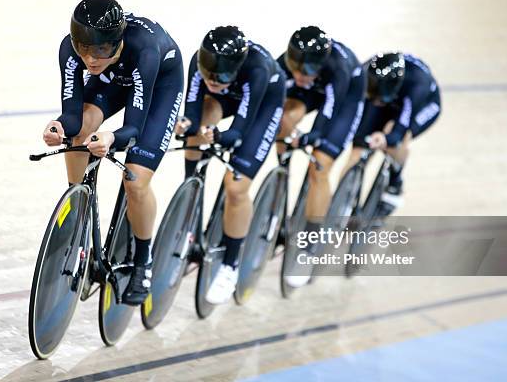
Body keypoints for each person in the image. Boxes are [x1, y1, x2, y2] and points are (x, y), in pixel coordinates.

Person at [41, 0, 184, 306]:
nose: (91, 60)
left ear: (117, 42)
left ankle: (143, 260)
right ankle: (78, 206)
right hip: (115, 77)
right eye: (85, 50)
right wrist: (59, 126)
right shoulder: (71, 49)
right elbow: (72, 115)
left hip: (158, 85)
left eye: (101, 50)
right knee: (79, 131)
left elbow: (133, 128)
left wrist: (111, 137)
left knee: (136, 181)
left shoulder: (144, 49)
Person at [175, 26, 285, 304]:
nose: (212, 80)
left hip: (261, 108)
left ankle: (230, 265)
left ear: (235, 69)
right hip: (227, 99)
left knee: (236, 186)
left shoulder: (257, 70)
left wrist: (221, 137)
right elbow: (192, 109)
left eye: (221, 76)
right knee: (203, 118)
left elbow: (239, 131)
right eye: (208, 74)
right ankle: (193, 185)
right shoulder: (200, 63)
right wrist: (187, 125)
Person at [275, 26, 366, 287]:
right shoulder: (288, 62)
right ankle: (281, 178)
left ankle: (310, 246)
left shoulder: (338, 68)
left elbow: (327, 116)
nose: (300, 75)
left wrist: (308, 138)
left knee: (320, 165)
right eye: (296, 70)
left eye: (307, 71)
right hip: (315, 91)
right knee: (283, 119)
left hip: (343, 98)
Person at [349, 52, 441, 215]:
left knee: (395, 140)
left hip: (422, 105)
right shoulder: (367, 71)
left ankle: (395, 183)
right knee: (358, 147)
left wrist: (387, 138)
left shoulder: (418, 84)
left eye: (380, 97)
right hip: (386, 98)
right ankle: (346, 198)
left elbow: (399, 130)